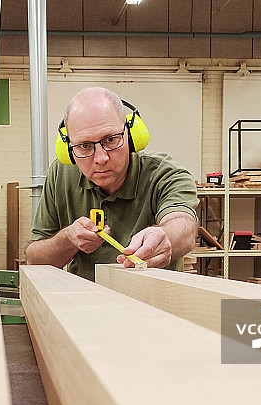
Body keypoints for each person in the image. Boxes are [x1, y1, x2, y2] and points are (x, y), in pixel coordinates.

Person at [25, 87, 199, 281]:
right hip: (83, 302)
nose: (101, 158)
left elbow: (183, 226)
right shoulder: (60, 174)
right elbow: (34, 260)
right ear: (68, 150)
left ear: (131, 136)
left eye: (110, 139)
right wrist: (68, 239)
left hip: (151, 304)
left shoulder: (165, 174)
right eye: (84, 146)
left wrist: (165, 236)